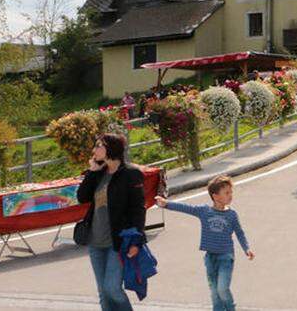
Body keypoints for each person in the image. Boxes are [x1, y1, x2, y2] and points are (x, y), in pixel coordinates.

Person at [155, 175, 253, 311]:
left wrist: (246, 248)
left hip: (226, 257)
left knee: (222, 289)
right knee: (214, 292)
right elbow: (186, 208)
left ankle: (230, 308)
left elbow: (240, 233)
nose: (231, 195)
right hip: (210, 258)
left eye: (231, 192)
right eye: (227, 193)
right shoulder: (204, 211)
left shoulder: (232, 215)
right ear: (215, 196)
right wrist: (166, 204)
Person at [77, 133, 147, 311]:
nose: (94, 150)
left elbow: (138, 209)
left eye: (98, 145)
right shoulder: (98, 173)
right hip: (95, 241)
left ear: (111, 148)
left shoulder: (131, 174)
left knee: (113, 289)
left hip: (118, 242)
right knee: (103, 293)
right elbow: (82, 197)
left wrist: (137, 241)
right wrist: (91, 172)